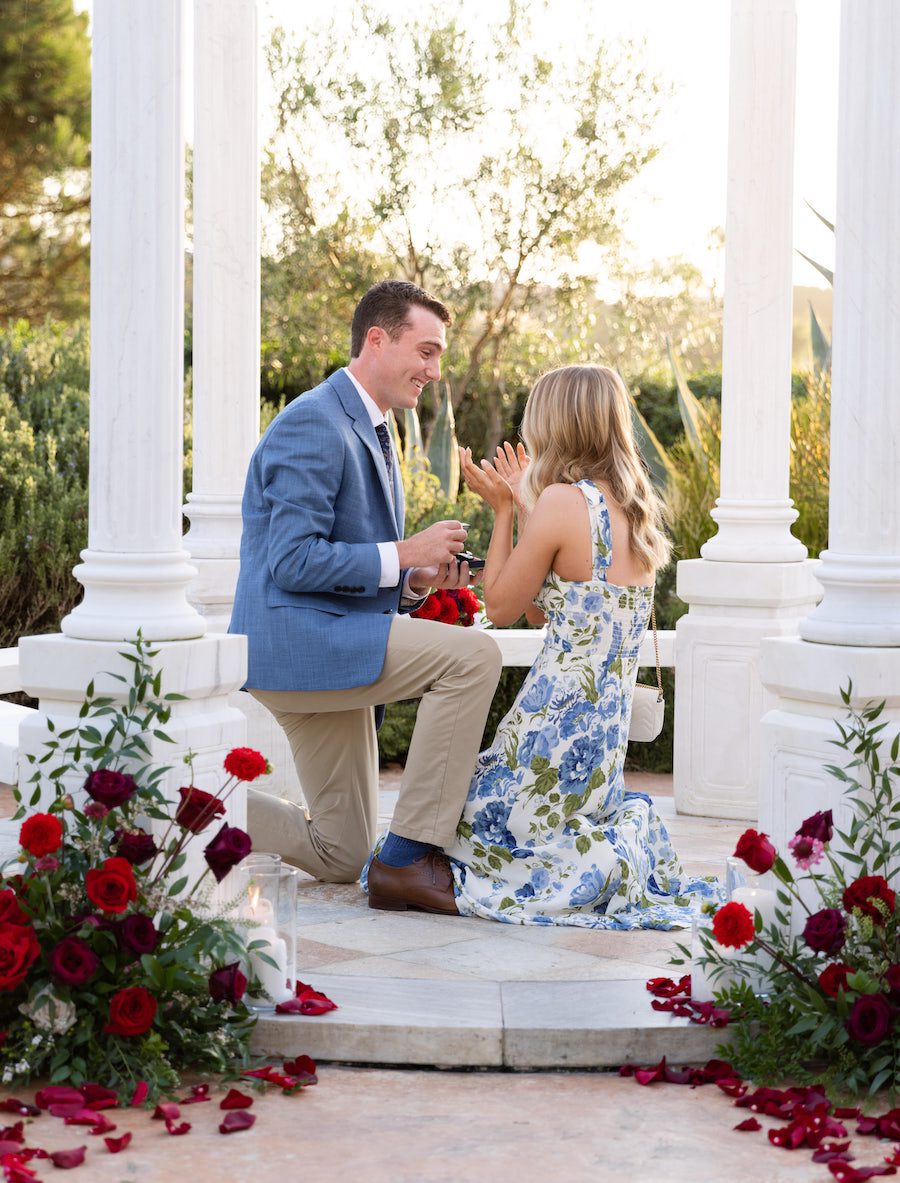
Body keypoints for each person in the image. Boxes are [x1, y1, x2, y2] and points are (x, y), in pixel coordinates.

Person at [230, 280, 502, 913]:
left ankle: (180, 802)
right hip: (301, 641)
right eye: (426, 352)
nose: (435, 371)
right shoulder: (314, 421)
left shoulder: (369, 426)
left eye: (440, 357)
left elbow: (343, 559)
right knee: (473, 657)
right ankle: (409, 856)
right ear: (377, 339)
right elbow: (292, 561)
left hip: (331, 637)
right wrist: (406, 552)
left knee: (339, 855)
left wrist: (412, 581)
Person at [442, 364, 718, 928]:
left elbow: (500, 607)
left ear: (556, 424)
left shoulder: (564, 503)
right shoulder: (633, 506)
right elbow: (549, 606)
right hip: (599, 741)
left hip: (551, 727)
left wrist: (501, 511)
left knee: (458, 824)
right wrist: (525, 507)